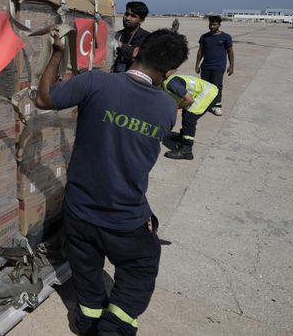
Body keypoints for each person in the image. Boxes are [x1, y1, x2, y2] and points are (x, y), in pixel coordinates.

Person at [36, 28, 189, 336]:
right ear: (171, 71)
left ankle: (88, 320)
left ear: (135, 52)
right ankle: (114, 327)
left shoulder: (95, 82)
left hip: (79, 212)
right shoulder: (167, 108)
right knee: (140, 268)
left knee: (87, 272)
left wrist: (56, 52)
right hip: (124, 219)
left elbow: (44, 99)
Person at [162, 74, 219, 160]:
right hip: (204, 91)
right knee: (186, 111)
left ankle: (186, 150)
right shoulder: (168, 82)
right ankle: (183, 136)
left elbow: (189, 100)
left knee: (189, 118)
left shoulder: (171, 84)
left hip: (208, 94)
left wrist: (176, 108)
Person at [195, 15, 234, 116]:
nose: (212, 26)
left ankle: (217, 105)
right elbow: (200, 51)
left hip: (218, 66)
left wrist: (231, 66)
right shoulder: (204, 37)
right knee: (204, 86)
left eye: (214, 24)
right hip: (206, 66)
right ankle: (205, 105)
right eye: (210, 24)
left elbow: (230, 52)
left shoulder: (226, 37)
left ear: (219, 25)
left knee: (217, 86)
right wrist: (197, 64)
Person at [112, 1, 151, 72]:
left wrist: (121, 46)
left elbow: (144, 59)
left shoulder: (148, 38)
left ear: (141, 20)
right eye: (126, 14)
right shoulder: (117, 35)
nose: (127, 18)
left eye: (133, 16)